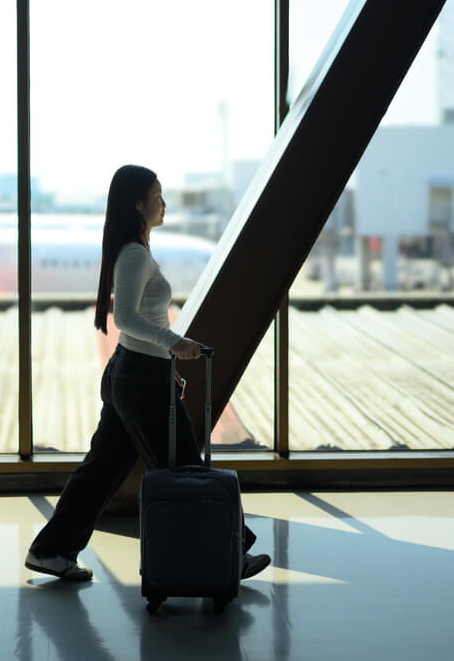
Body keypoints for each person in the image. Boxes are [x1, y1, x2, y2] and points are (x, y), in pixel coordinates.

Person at [25, 164, 270, 582]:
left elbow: (135, 327)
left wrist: (165, 360)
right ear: (138, 203)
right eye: (157, 196)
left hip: (134, 373)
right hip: (138, 379)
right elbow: (124, 318)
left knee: (102, 469)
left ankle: (50, 550)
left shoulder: (135, 249)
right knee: (185, 468)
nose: (164, 204)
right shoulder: (135, 254)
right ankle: (231, 552)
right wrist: (173, 343)